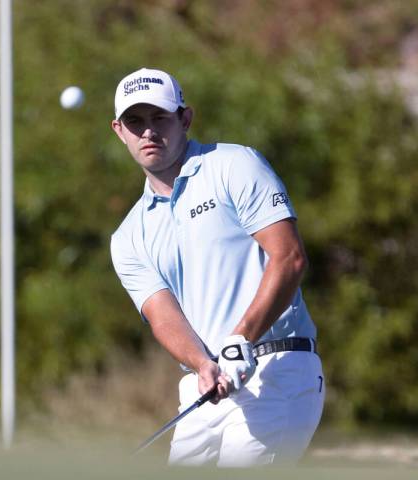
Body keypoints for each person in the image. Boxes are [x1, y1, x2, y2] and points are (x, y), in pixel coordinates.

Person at [109, 67, 325, 467]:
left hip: (276, 371)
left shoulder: (233, 165)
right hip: (206, 387)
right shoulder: (128, 236)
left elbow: (289, 257)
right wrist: (202, 364)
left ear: (185, 119)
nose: (148, 132)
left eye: (160, 118)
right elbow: (163, 316)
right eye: (135, 122)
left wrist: (241, 337)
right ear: (119, 130)